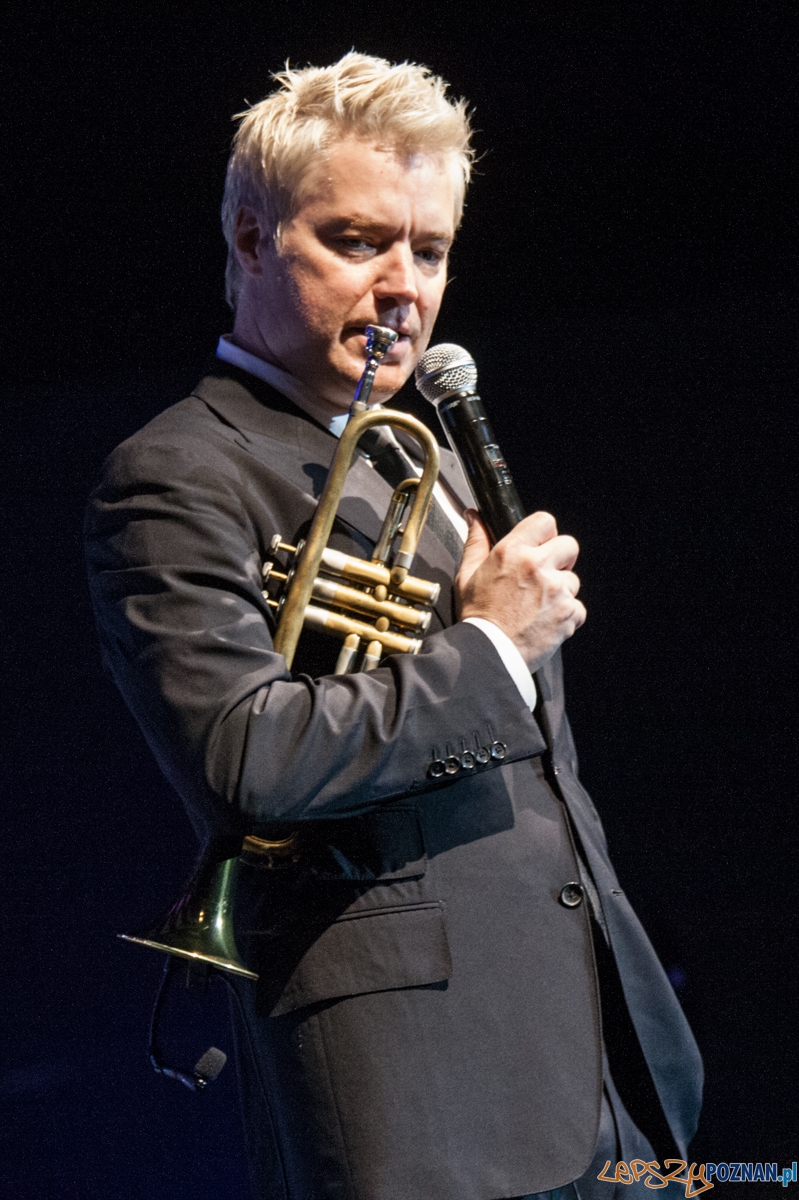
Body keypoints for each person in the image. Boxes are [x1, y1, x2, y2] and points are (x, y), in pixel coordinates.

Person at [85, 53, 702, 1200]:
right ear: (253, 239)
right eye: (359, 241)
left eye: (429, 251)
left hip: (592, 1063)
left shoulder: (416, 457)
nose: (402, 287)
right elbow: (246, 756)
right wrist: (488, 650)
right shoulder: (175, 473)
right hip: (417, 1089)